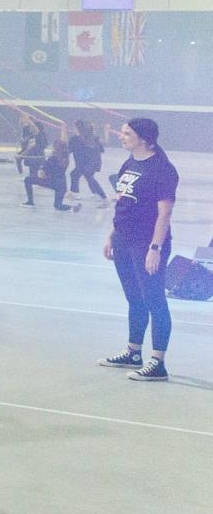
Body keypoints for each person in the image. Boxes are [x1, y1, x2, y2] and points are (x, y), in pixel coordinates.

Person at [98, 118, 179, 382]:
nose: (121, 136)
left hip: (146, 243)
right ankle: (134, 352)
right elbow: (122, 205)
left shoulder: (162, 169)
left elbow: (164, 213)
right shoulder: (129, 163)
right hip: (124, 240)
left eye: (126, 133)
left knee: (155, 300)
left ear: (143, 138)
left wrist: (155, 248)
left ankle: (158, 362)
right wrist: (112, 235)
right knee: (135, 298)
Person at [23, 131, 73, 211]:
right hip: (62, 186)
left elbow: (42, 174)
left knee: (27, 180)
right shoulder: (65, 157)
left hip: (51, 182)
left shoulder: (52, 159)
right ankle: (71, 208)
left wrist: (41, 172)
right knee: (58, 205)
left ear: (55, 148)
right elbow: (64, 142)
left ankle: (30, 202)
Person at [69, 120, 109, 201]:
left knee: (83, 176)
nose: (73, 128)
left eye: (74, 127)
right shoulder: (90, 136)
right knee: (83, 176)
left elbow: (68, 150)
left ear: (77, 128)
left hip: (85, 163)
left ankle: (102, 196)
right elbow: (102, 147)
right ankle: (96, 194)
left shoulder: (76, 139)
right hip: (91, 163)